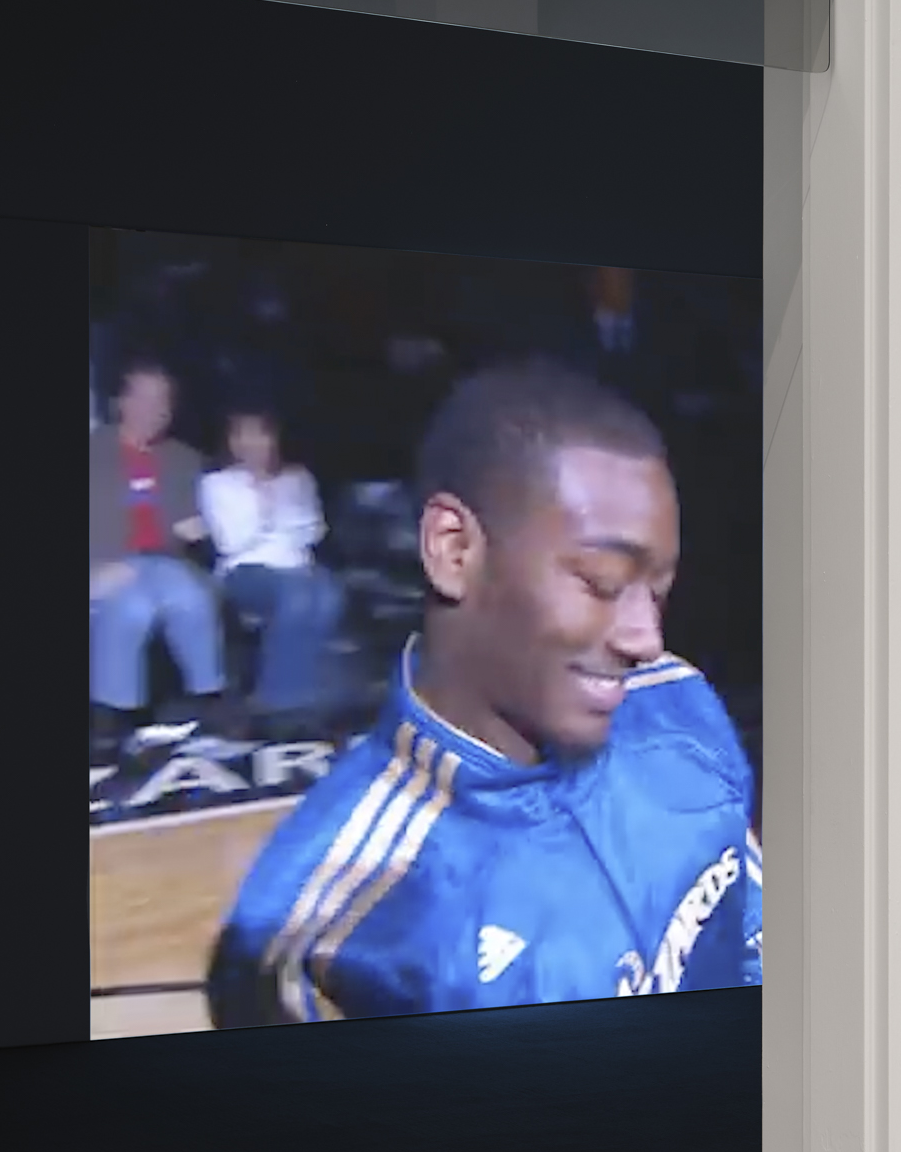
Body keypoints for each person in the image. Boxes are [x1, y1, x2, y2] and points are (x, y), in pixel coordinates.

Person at [204, 357, 760, 1025]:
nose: (645, 635)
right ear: (454, 549)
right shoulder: (328, 927)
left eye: (659, 590)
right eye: (602, 582)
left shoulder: (677, 704)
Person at [89, 358, 223, 749]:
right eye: (143, 398)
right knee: (133, 607)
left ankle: (208, 700)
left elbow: (192, 525)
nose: (153, 409)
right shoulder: (94, 450)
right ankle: (113, 716)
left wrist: (199, 529)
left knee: (191, 598)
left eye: (162, 401)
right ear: (121, 402)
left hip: (165, 561)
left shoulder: (184, 458)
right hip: (105, 563)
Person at [200, 408, 344, 734]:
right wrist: (262, 503)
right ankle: (278, 701)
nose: (251, 444)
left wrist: (281, 522)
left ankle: (310, 693)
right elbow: (233, 540)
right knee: (296, 598)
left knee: (329, 595)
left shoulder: (298, 478)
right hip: (245, 570)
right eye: (241, 436)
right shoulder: (218, 484)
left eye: (259, 434)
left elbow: (313, 529)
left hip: (298, 566)